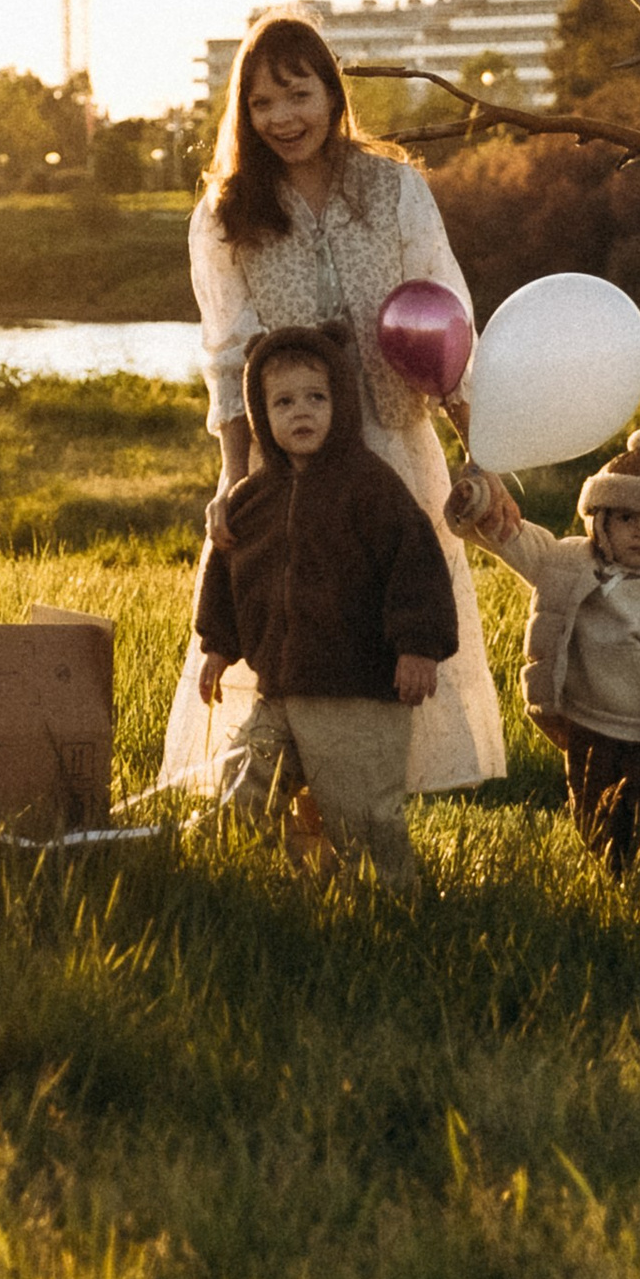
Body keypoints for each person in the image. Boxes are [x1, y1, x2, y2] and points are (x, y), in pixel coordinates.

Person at [157, 12, 506, 798]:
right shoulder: (226, 215)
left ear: (331, 90)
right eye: (260, 103)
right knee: (290, 618)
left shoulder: (393, 189)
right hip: (289, 463)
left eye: (297, 93)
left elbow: (445, 325)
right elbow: (227, 357)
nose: (283, 118)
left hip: (391, 444)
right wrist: (234, 475)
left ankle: (371, 811)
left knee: (389, 623)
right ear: (241, 114)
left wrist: (482, 457)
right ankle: (295, 811)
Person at [193, 321, 459, 891]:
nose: (301, 412)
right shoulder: (253, 497)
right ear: (262, 415)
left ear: (341, 402)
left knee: (361, 814)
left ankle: (388, 904)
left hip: (357, 694)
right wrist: (218, 646)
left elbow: (416, 567)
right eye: (283, 402)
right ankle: (228, 890)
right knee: (242, 791)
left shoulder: (370, 487)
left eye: (317, 398)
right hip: (280, 691)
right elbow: (228, 571)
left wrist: (418, 647)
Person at [449, 426, 640, 883]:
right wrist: (481, 506)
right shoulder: (571, 564)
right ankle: (611, 884)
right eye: (625, 519)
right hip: (590, 726)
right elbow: (518, 539)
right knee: (598, 825)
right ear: (599, 521)